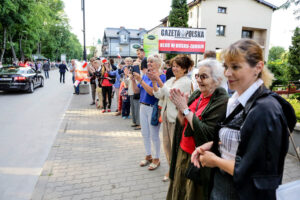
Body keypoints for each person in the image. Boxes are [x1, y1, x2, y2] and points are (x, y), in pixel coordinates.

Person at [191, 39, 297, 200]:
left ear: (258, 67)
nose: (227, 73)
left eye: (235, 67)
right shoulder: (236, 99)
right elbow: (243, 143)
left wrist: (216, 161)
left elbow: (257, 171)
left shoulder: (265, 110)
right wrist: (212, 144)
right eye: (226, 66)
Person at [167, 59, 228, 200]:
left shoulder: (222, 100)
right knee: (179, 190)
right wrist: (180, 109)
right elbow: (183, 123)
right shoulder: (197, 94)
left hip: (198, 159)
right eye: (197, 76)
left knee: (192, 194)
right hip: (183, 151)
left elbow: (206, 133)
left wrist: (185, 109)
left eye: (204, 76)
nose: (199, 80)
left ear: (217, 80)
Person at [149, 55, 193, 182]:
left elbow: (172, 95)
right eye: (173, 66)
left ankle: (176, 171)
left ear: (185, 69)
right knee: (167, 146)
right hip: (166, 116)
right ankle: (171, 168)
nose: (174, 68)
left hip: (176, 119)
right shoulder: (171, 80)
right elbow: (158, 95)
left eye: (177, 66)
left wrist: (159, 80)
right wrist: (153, 81)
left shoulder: (186, 81)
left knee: (175, 147)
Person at [131, 55, 166, 170]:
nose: (149, 63)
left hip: (153, 107)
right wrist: (133, 81)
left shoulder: (161, 77)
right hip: (143, 106)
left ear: (158, 63)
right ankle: (148, 155)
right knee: (145, 133)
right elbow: (136, 90)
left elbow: (151, 92)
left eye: (151, 62)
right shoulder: (146, 75)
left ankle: (156, 158)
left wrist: (140, 80)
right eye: (148, 62)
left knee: (154, 134)